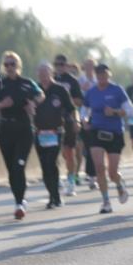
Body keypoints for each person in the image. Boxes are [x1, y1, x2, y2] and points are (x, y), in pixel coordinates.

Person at [0, 51, 43, 220]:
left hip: (24, 128)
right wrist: (2, 104)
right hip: (6, 130)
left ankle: (19, 203)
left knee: (19, 165)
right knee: (12, 170)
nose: (10, 67)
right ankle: (19, 199)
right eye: (7, 64)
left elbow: (41, 95)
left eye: (13, 64)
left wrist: (33, 103)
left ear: (18, 66)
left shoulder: (27, 83)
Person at [82, 64, 132, 213]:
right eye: (99, 74)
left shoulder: (117, 90)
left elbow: (130, 110)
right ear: (96, 76)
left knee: (112, 172)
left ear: (109, 74)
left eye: (104, 74)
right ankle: (106, 201)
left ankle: (119, 184)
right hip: (96, 131)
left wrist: (115, 111)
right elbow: (84, 109)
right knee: (98, 167)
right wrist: (84, 119)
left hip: (115, 133)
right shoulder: (91, 92)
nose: (101, 77)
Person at [33, 62, 77, 208]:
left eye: (46, 74)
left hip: (56, 132)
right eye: (40, 74)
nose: (43, 77)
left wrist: (75, 122)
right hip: (39, 133)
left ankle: (55, 197)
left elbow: (71, 108)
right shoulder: (35, 89)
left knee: (51, 162)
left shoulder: (60, 90)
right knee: (45, 166)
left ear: (51, 74)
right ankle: (52, 196)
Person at [52, 54, 84, 196]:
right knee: (54, 153)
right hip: (51, 120)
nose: (59, 67)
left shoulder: (72, 81)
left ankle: (71, 180)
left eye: (61, 64)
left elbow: (79, 102)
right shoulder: (49, 79)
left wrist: (66, 98)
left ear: (66, 65)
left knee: (69, 153)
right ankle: (57, 177)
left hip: (68, 119)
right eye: (56, 64)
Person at [78, 58, 99, 189]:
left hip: (98, 117)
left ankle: (94, 175)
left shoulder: (99, 81)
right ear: (83, 68)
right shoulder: (79, 81)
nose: (89, 68)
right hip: (84, 117)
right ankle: (91, 174)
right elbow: (75, 98)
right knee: (88, 146)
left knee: (95, 147)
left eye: (92, 66)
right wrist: (81, 89)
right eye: (87, 66)